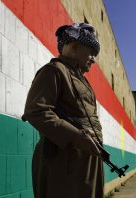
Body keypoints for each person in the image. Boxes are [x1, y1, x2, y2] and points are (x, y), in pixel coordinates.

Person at [22, 23, 105, 198]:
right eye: (90, 52)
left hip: (86, 159)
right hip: (64, 161)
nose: (93, 59)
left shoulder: (82, 80)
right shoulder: (53, 71)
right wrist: (75, 135)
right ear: (74, 47)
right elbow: (36, 111)